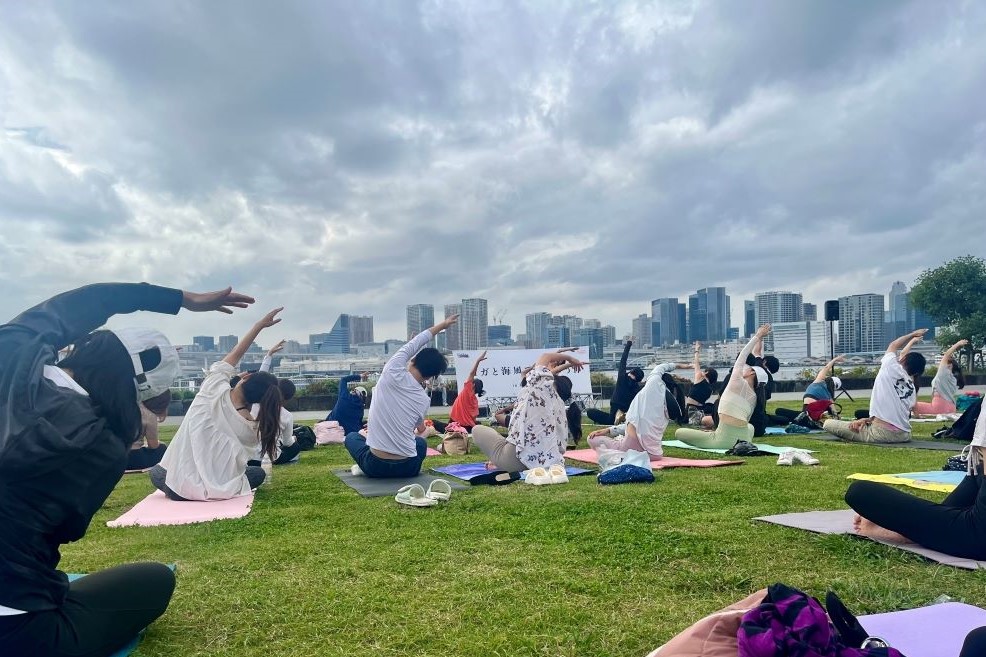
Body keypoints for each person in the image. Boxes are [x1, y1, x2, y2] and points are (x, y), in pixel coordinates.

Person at [0, 282, 253, 657]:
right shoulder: (99, 448)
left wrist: (181, 300)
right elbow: (66, 528)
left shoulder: (13, 354)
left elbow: (82, 301)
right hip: (18, 628)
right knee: (153, 580)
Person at [150, 308, 284, 500]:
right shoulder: (253, 427)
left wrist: (259, 326)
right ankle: (209, 487)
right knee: (257, 473)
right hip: (220, 489)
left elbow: (233, 356)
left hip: (177, 486)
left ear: (244, 379)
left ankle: (191, 487)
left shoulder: (211, 390)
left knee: (157, 472)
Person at [845, 399, 986, 559]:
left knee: (860, 492)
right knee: (947, 509)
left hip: (979, 536)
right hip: (978, 481)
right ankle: (920, 533)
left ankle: (916, 534)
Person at [345, 315, 457, 478]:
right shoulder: (423, 400)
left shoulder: (392, 371)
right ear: (430, 376)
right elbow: (420, 431)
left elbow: (417, 341)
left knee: (352, 437)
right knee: (420, 442)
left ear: (413, 360)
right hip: (408, 467)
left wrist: (443, 325)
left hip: (375, 465)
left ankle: (363, 467)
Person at [473, 352, 587, 472]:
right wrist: (567, 364)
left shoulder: (537, 388)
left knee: (477, 430)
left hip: (516, 462)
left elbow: (545, 357)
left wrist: (570, 359)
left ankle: (498, 461)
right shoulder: (561, 410)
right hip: (550, 465)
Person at [674, 325, 771, 449]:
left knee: (679, 433)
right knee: (749, 426)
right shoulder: (756, 396)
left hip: (723, 441)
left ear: (752, 373)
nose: (745, 368)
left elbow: (743, 355)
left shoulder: (737, 381)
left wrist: (758, 336)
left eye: (749, 368)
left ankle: (717, 434)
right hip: (744, 440)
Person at [823, 329, 928, 443]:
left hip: (882, 433)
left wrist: (912, 335)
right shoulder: (911, 388)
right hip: (904, 435)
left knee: (828, 423)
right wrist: (866, 420)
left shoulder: (890, 367)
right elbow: (894, 414)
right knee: (857, 421)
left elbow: (893, 345)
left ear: (903, 359)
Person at [588, 362, 684, 458]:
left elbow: (660, 368)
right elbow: (639, 425)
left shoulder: (653, 386)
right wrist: (609, 430)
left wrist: (679, 365)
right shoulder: (665, 407)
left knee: (591, 438)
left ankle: (620, 444)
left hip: (632, 450)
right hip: (655, 454)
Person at [251, 340, 301, 466]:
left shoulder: (256, 403)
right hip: (272, 458)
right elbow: (287, 443)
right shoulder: (287, 415)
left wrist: (269, 355)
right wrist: (294, 440)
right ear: (288, 398)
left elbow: (260, 378)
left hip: (248, 456)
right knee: (295, 447)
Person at [771, 355, 845, 423]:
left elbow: (826, 368)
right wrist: (837, 418)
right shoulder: (829, 397)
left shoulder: (818, 381)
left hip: (805, 412)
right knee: (787, 418)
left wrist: (835, 359)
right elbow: (834, 412)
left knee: (779, 411)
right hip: (811, 416)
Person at [587, 340, 644, 425]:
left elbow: (623, 360)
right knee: (611, 420)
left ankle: (618, 417)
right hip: (627, 407)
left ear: (631, 372)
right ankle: (623, 417)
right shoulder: (636, 388)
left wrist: (628, 344)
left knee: (608, 419)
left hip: (616, 403)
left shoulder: (622, 377)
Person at [913, 339, 968, 416]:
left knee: (911, 404)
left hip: (939, 408)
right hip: (951, 408)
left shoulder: (943, 373)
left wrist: (958, 344)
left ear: (949, 365)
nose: (940, 362)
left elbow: (946, 355)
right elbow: (946, 356)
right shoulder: (953, 378)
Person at [127, 390, 172, 471]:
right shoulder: (149, 414)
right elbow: (153, 445)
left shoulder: (120, 407)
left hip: (114, 456)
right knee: (163, 448)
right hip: (134, 458)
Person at [447, 350, 488, 431]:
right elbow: (474, 417)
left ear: (472, 385)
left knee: (436, 424)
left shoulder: (467, 391)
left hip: (455, 423)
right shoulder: (475, 401)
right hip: (468, 427)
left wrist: (478, 361)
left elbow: (472, 373)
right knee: (478, 425)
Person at [684, 342, 718, 428]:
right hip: (701, 409)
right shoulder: (710, 390)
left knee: (699, 421)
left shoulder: (700, 378)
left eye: (704, 371)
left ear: (706, 373)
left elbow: (696, 363)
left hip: (691, 410)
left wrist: (697, 350)